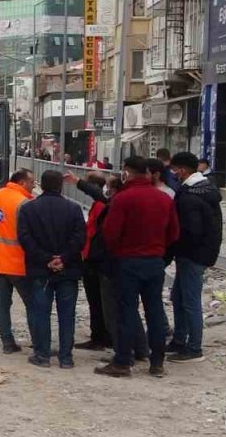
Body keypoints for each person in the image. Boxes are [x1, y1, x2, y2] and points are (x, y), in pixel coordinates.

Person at [96, 156, 180, 379]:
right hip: (154, 261)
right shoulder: (164, 198)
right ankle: (157, 363)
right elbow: (173, 233)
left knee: (126, 312)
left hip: (127, 262)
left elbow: (110, 233)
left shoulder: (123, 199)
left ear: (126, 172)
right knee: (154, 311)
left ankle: (122, 362)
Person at [17, 170, 87, 368]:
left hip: (40, 270)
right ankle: (66, 358)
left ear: (41, 185)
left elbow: (25, 238)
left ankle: (42, 355)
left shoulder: (29, 209)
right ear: (60, 186)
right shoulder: (73, 209)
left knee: (41, 312)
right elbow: (80, 238)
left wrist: (46, 259)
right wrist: (64, 258)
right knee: (67, 315)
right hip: (68, 269)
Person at [166, 151, 222, 363]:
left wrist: (174, 246)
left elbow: (192, 231)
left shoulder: (190, 197)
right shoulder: (206, 189)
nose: (173, 174)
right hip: (198, 253)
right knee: (178, 297)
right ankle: (179, 340)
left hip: (192, 255)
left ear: (182, 170)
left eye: (175, 170)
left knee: (190, 301)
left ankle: (194, 347)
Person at [0, 169, 36, 354]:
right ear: (22, 183)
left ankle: (7, 343)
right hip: (18, 264)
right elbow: (29, 235)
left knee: (2, 304)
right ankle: (38, 341)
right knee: (33, 304)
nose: (33, 186)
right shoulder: (24, 203)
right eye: (32, 182)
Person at [65, 172, 112, 351]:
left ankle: (100, 336)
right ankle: (102, 334)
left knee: (97, 300)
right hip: (95, 257)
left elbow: (92, 233)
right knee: (99, 300)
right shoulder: (101, 205)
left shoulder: (102, 204)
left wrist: (78, 182)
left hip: (95, 259)